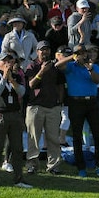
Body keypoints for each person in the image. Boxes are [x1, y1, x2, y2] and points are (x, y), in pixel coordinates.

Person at [56, 44, 99, 178]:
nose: (82, 55)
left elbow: (97, 80)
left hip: (92, 102)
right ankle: (81, 167)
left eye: (83, 53)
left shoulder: (93, 66)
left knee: (97, 135)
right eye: (79, 53)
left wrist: (90, 69)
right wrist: (71, 57)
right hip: (75, 103)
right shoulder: (70, 67)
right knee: (77, 136)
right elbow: (58, 65)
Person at [0, 53, 32, 189]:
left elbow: (22, 92)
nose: (7, 63)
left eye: (9, 61)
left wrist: (11, 80)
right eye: (4, 61)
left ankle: (19, 179)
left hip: (14, 114)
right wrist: (4, 77)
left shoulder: (15, 76)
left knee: (17, 148)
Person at [24, 41, 65, 175]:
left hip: (53, 107)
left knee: (53, 138)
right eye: (42, 50)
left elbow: (60, 85)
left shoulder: (55, 67)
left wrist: (60, 101)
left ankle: (53, 165)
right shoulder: (32, 65)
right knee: (34, 138)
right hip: (35, 107)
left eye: (47, 50)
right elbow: (31, 84)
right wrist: (42, 71)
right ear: (37, 52)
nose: (45, 52)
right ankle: (32, 164)